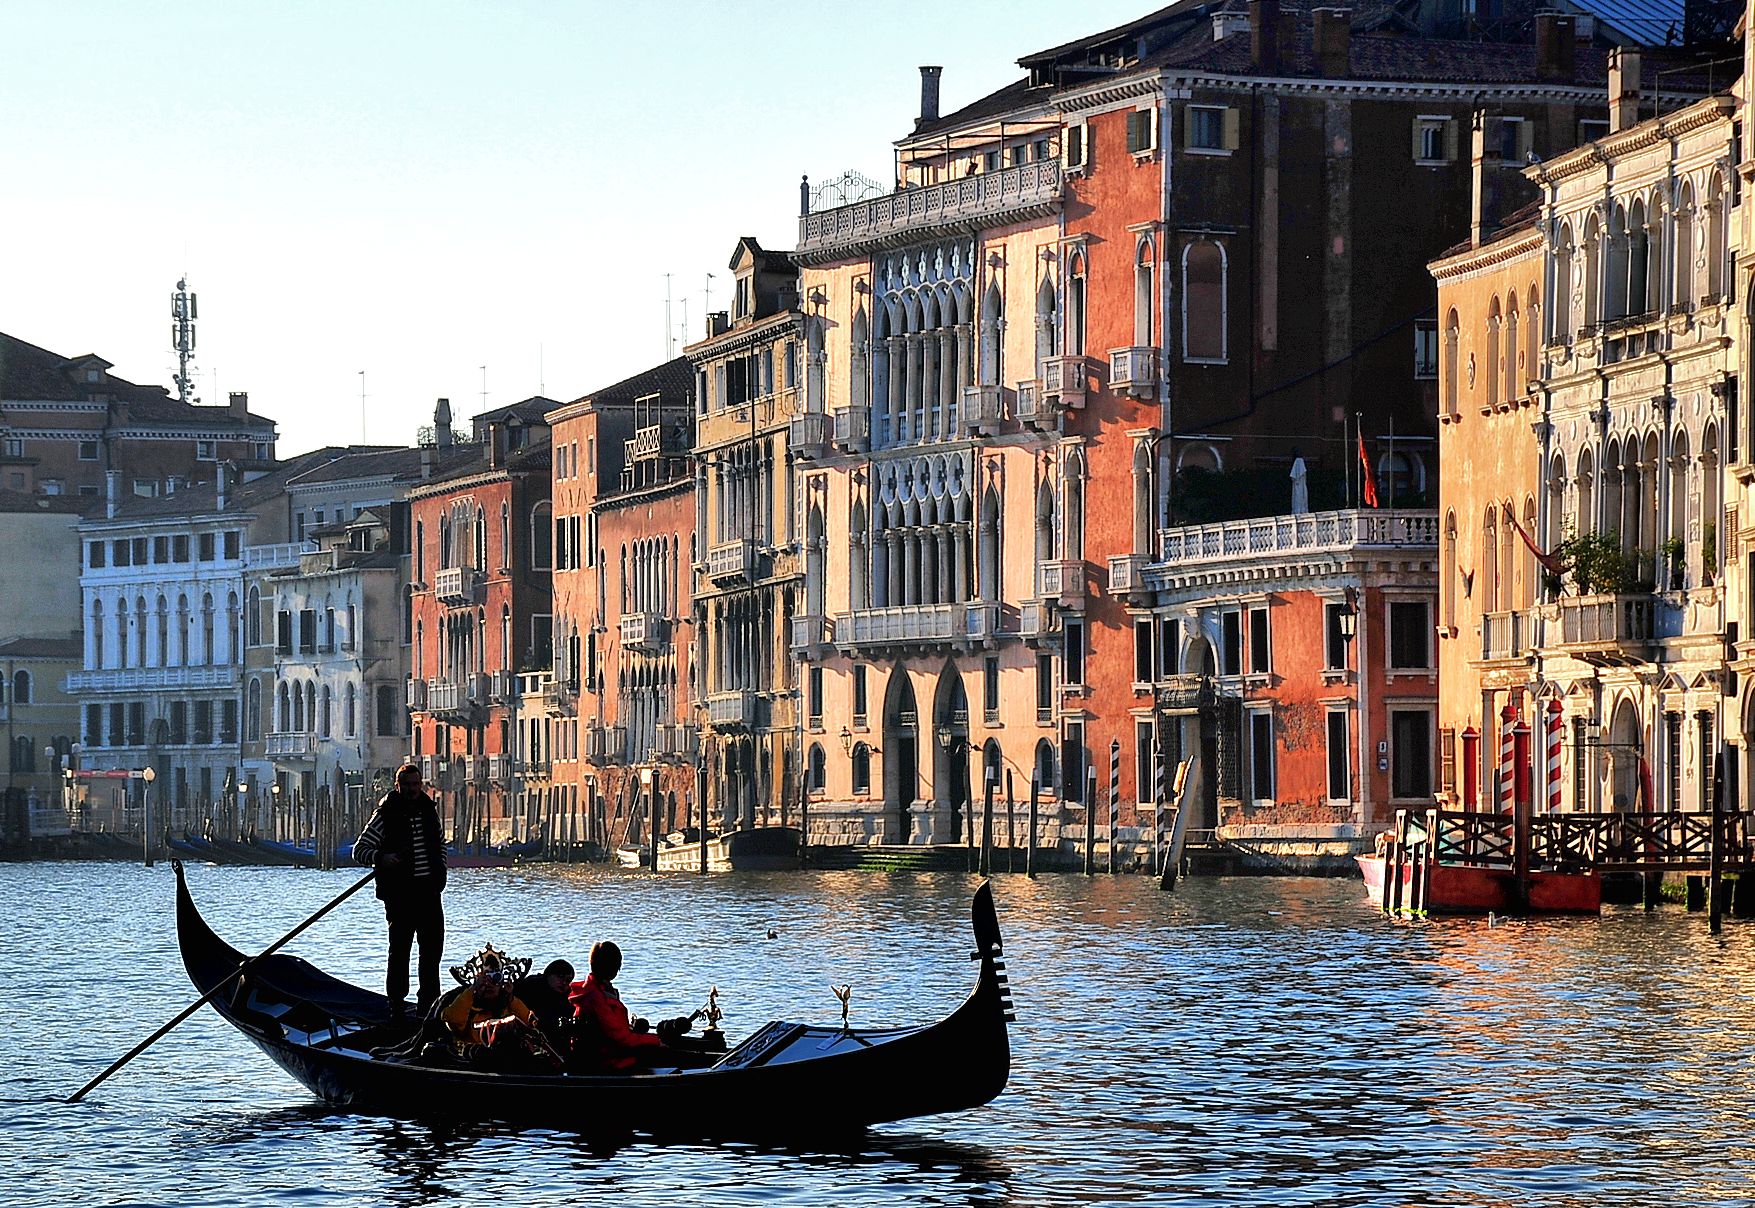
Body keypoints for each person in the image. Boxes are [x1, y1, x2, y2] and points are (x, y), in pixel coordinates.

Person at [353, 763, 448, 1017]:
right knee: (399, 953)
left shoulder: (429, 812)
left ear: (421, 785)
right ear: (398, 786)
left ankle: (428, 1007)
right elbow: (359, 850)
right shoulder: (385, 815)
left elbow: (440, 845)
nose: (411, 789)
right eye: (406, 785)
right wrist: (382, 858)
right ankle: (396, 1006)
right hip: (400, 897)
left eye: (415, 784)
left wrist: (441, 872)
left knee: (431, 954)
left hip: (429, 894)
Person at [568, 940, 667, 1072]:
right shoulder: (596, 997)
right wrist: (656, 1040)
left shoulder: (598, 991)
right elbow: (620, 1037)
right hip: (610, 1062)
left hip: (608, 1055)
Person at [513, 958, 575, 1043]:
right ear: (548, 975)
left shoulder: (568, 997)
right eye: (560, 977)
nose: (564, 983)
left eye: (568, 980)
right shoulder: (531, 985)